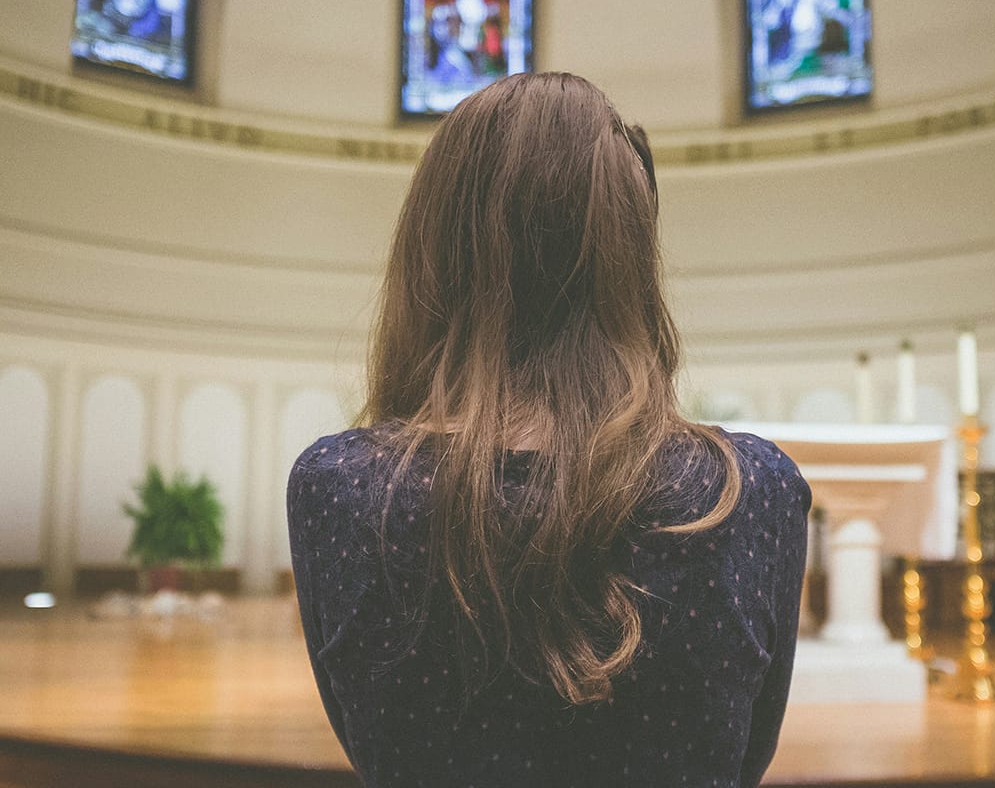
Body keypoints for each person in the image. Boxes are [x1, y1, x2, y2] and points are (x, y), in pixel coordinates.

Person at [288, 72, 810, 788]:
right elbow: (746, 759)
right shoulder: (752, 489)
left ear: (433, 245)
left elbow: (370, 747)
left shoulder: (338, 487)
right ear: (630, 255)